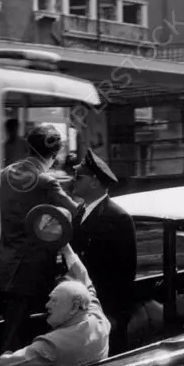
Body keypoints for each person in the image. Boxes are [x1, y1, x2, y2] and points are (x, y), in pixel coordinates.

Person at [0, 123, 81, 352]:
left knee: (12, 326)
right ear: (55, 153)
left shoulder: (5, 174)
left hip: (6, 264)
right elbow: (76, 213)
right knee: (32, 329)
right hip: (33, 269)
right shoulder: (46, 181)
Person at [0, 244, 110, 366]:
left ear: (74, 307)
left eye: (54, 301)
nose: (47, 305)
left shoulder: (51, 345)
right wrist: (66, 247)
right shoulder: (100, 321)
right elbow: (86, 282)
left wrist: (8, 352)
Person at [70, 148, 137, 355]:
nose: (74, 181)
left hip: (106, 309)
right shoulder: (80, 212)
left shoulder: (118, 218)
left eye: (79, 177)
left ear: (94, 182)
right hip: (81, 305)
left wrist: (116, 314)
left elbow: (126, 273)